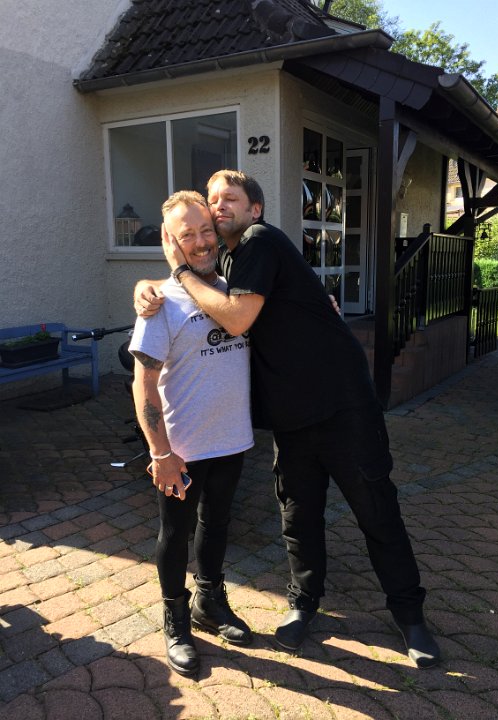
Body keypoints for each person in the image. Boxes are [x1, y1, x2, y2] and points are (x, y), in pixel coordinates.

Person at [135, 171, 441, 668]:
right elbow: (190, 295)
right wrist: (149, 285)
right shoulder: (229, 265)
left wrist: (179, 270)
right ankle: (303, 605)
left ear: (255, 209)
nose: (217, 208)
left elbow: (235, 317)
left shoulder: (260, 240)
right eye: (211, 202)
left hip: (342, 409)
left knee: (376, 512)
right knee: (299, 518)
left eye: (229, 199)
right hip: (290, 419)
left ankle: (410, 617)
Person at [130, 190, 254, 678]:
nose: (201, 242)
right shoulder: (160, 302)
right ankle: (176, 620)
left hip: (232, 438)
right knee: (175, 533)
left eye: (206, 230)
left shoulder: (236, 290)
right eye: (188, 235)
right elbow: (142, 382)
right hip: (181, 448)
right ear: (171, 242)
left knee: (217, 524)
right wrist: (159, 452)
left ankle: (209, 602)